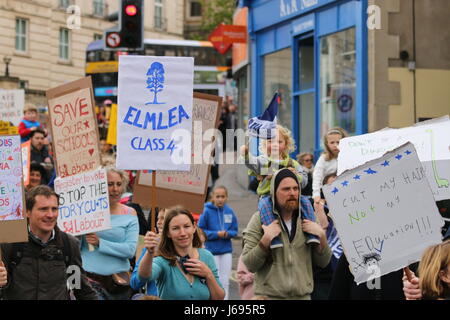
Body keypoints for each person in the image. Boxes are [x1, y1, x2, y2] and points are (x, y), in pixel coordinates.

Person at [242, 168, 331, 300]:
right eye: (286, 189)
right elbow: (250, 264)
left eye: (296, 188)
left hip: (302, 296)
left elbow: (323, 262)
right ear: (274, 192)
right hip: (268, 297)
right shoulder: (260, 219)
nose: (292, 193)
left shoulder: (309, 218)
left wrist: (322, 237)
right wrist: (265, 240)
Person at [0, 186, 97, 300]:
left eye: (54, 209)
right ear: (27, 212)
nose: (50, 215)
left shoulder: (68, 244)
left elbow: (79, 288)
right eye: (43, 209)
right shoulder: (10, 242)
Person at [241, 125, 316, 248]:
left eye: (279, 141)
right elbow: (252, 164)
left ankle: (311, 232)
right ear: (265, 145)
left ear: (286, 145)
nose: (275, 144)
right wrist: (246, 155)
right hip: (268, 196)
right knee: (264, 206)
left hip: (290, 197)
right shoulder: (264, 161)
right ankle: (273, 237)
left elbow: (304, 181)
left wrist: (296, 176)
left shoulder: (293, 163)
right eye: (270, 141)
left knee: (306, 202)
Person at [137, 206, 225, 300]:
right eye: (175, 228)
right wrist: (149, 253)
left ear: (194, 227)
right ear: (168, 233)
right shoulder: (162, 261)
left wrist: (208, 275)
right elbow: (144, 276)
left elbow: (219, 298)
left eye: (186, 226)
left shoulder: (206, 256)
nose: (182, 233)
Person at [81, 167, 139, 300]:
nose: (115, 189)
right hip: (90, 281)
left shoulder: (129, 213)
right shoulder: (86, 211)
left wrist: (100, 243)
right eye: (110, 184)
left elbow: (130, 250)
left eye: (119, 184)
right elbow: (75, 247)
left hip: (119, 284)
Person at [198, 186, 238, 299]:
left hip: (226, 250)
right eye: (218, 196)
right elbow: (200, 230)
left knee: (225, 280)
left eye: (223, 196)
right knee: (214, 280)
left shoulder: (229, 211)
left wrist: (228, 234)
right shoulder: (206, 210)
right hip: (211, 251)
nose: (220, 199)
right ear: (213, 197)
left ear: (227, 197)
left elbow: (235, 230)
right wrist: (216, 234)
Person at [312, 127, 347, 207]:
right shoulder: (324, 158)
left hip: (344, 190)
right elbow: (317, 176)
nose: (335, 145)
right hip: (328, 193)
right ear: (327, 144)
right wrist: (316, 194)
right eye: (332, 142)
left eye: (338, 142)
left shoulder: (346, 157)